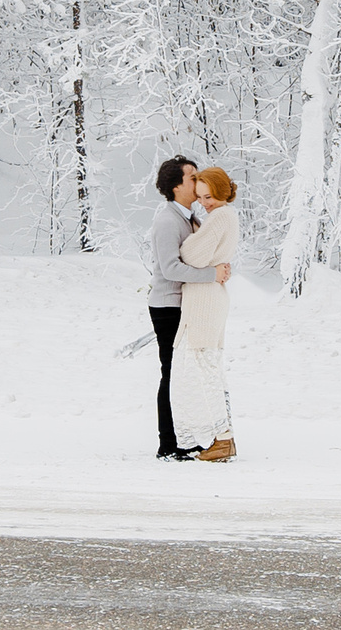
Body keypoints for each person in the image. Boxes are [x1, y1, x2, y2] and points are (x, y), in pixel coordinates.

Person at [147, 154, 229, 461]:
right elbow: (170, 269)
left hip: (186, 304)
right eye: (192, 177)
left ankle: (184, 438)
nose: (197, 181)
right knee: (171, 373)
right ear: (176, 185)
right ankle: (168, 444)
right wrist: (212, 274)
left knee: (182, 374)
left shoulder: (189, 216)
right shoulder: (167, 221)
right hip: (169, 306)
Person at [172, 166, 241, 462]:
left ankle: (221, 438)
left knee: (204, 367)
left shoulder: (220, 217)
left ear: (222, 192)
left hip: (204, 303)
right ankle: (218, 436)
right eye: (200, 197)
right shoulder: (222, 218)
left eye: (209, 196)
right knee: (204, 367)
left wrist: (189, 243)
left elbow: (190, 256)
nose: (205, 203)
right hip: (206, 299)